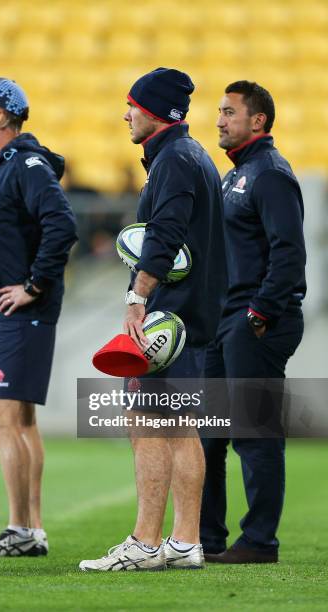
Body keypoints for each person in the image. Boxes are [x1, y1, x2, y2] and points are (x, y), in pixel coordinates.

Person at [79, 68, 227, 571]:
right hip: (193, 321)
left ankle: (145, 544)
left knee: (145, 423)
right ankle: (185, 543)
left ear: (158, 112)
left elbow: (164, 235)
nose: (125, 113)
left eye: (132, 105)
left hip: (169, 320)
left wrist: (137, 297)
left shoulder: (173, 162)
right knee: (181, 428)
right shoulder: (193, 157)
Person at [0, 78, 77, 556]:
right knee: (21, 422)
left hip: (18, 314)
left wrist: (34, 286)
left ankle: (19, 530)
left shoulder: (24, 165)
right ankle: (32, 530)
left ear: (0, 116)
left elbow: (63, 223)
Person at [201, 81, 306, 563]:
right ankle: (206, 538)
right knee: (211, 434)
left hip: (255, 321)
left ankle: (260, 541)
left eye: (228, 112)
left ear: (257, 120)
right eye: (219, 112)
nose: (219, 120)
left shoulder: (269, 174)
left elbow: (289, 253)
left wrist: (260, 312)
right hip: (228, 320)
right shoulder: (236, 176)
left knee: (253, 431)